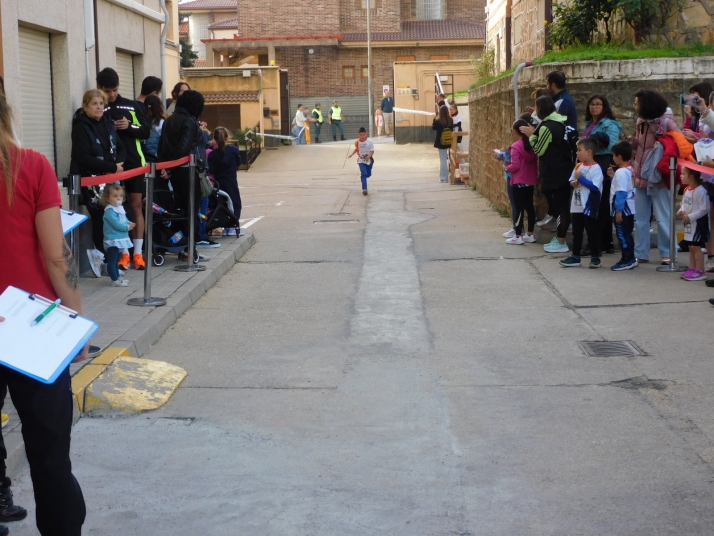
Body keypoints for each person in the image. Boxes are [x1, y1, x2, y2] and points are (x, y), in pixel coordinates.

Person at [0, 91, 88, 536]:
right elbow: (57, 258)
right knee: (51, 456)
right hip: (32, 328)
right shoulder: (32, 166)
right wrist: (76, 323)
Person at [97, 67, 150, 271]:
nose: (112, 95)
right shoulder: (99, 108)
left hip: (135, 163)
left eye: (115, 90)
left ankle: (138, 253)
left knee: (136, 207)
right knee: (115, 210)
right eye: (108, 90)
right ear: (100, 87)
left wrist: (129, 126)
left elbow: (145, 131)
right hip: (112, 166)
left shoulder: (131, 106)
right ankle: (123, 255)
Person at [70, 89, 127, 278]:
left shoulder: (108, 123)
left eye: (101, 103)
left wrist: (116, 165)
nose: (99, 107)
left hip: (110, 179)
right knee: (101, 220)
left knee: (112, 219)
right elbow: (82, 156)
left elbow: (120, 147)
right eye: (94, 103)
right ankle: (102, 259)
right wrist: (111, 166)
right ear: (85, 106)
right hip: (91, 181)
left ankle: (110, 260)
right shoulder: (80, 126)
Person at [631, 89, 680, 264]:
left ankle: (668, 252)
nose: (635, 106)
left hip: (659, 176)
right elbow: (640, 145)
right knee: (641, 218)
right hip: (641, 173)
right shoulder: (640, 122)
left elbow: (678, 143)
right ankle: (641, 252)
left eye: (637, 103)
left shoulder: (666, 122)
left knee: (663, 215)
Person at [520, 96, 573, 253]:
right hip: (564, 169)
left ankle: (561, 241)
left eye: (536, 108)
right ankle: (560, 239)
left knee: (560, 208)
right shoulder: (559, 122)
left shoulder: (547, 127)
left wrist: (531, 136)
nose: (535, 111)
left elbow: (539, 149)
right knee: (561, 207)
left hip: (554, 173)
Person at [158, 89, 207, 259]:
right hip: (188, 172)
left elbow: (162, 145)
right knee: (192, 211)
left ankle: (179, 242)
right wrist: (172, 166)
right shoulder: (189, 122)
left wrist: (165, 167)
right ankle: (189, 249)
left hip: (172, 173)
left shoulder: (169, 120)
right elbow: (184, 149)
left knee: (180, 211)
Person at [581, 94, 623, 255]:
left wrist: (593, 144)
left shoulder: (610, 125)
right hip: (592, 164)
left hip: (604, 163)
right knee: (600, 205)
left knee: (599, 206)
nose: (594, 107)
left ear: (604, 107)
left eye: (598, 104)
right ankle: (605, 242)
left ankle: (596, 244)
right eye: (592, 104)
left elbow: (612, 145)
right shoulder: (590, 124)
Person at [559, 137, 604, 268]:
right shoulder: (579, 166)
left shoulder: (596, 168)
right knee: (576, 232)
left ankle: (595, 257)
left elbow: (595, 186)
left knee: (592, 232)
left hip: (589, 205)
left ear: (589, 152)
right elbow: (572, 180)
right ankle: (575, 256)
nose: (577, 152)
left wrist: (581, 179)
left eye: (579, 150)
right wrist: (574, 182)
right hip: (577, 205)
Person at [504, 119, 538, 245]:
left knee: (518, 208)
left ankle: (518, 235)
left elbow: (515, 165)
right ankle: (530, 233)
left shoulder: (515, 147)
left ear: (514, 131)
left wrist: (506, 168)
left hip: (518, 181)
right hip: (530, 180)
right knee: (529, 206)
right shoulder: (532, 145)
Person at [208, 126, 244, 236]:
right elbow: (238, 163)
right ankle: (232, 226)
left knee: (222, 204)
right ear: (227, 138)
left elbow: (211, 169)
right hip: (231, 180)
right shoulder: (233, 151)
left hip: (219, 182)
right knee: (235, 203)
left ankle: (225, 225)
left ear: (214, 139)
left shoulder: (213, 155)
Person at [608, 141, 638, 271]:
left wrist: (618, 211)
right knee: (627, 234)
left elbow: (620, 192)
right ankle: (630, 257)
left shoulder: (621, 172)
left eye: (613, 155)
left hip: (622, 209)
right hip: (630, 208)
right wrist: (612, 177)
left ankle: (627, 259)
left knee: (622, 235)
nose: (612, 158)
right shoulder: (629, 170)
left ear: (619, 157)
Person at [678, 166, 711, 281]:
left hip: (698, 224)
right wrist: (681, 210)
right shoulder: (687, 189)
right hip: (689, 224)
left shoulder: (700, 191)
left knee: (696, 247)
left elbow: (704, 209)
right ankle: (692, 268)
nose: (681, 176)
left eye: (683, 174)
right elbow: (684, 203)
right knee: (690, 247)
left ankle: (700, 270)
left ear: (691, 177)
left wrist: (691, 216)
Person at [102, 184, 135, 287]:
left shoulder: (120, 209)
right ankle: (114, 279)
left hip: (120, 238)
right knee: (112, 261)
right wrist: (127, 227)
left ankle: (117, 277)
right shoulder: (109, 211)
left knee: (117, 260)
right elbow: (116, 223)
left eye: (120, 196)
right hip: (113, 240)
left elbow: (123, 220)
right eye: (115, 196)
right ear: (107, 198)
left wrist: (129, 222)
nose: (118, 198)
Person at [348, 127, 374, 195]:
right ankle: (364, 189)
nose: (362, 136)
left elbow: (372, 151)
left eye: (363, 134)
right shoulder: (357, 142)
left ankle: (365, 177)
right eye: (360, 135)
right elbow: (356, 149)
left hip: (369, 161)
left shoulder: (370, 142)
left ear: (366, 134)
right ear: (358, 135)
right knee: (364, 173)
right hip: (361, 161)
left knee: (368, 174)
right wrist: (351, 154)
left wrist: (369, 156)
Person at [432, 106, 453, 183]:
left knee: (443, 160)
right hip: (449, 142)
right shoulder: (450, 120)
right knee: (450, 159)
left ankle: (444, 178)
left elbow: (434, 128)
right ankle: (450, 175)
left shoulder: (439, 121)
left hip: (441, 143)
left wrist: (434, 119)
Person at [143, 94, 166, 161]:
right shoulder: (161, 122)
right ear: (159, 106)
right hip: (155, 157)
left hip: (142, 157)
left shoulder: (141, 119)